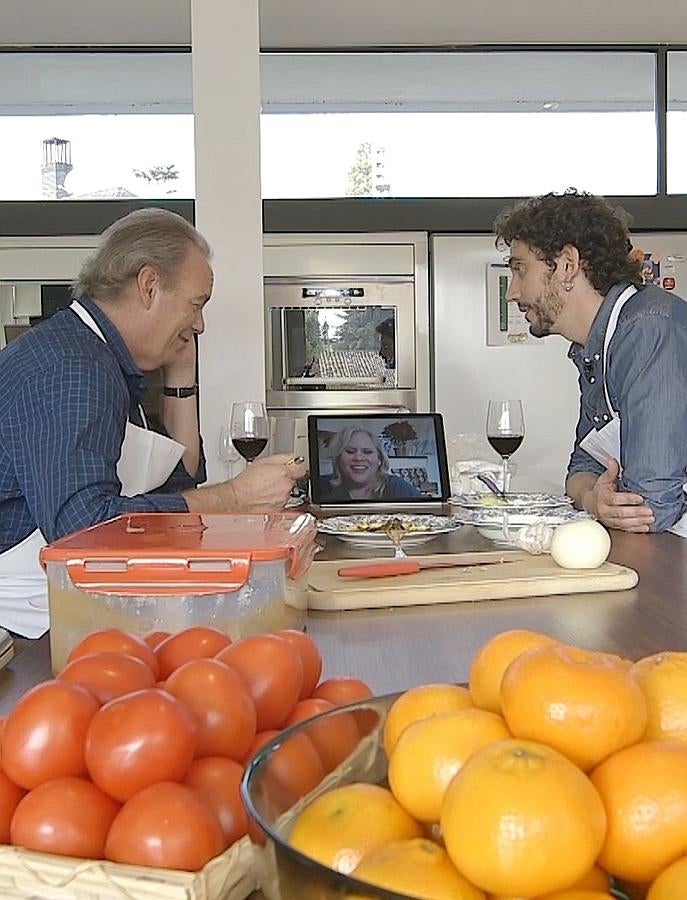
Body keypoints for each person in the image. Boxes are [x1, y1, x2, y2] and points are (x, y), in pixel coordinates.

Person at [0, 208, 306, 637]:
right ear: (149, 285)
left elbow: (176, 487)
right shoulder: (72, 368)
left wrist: (181, 375)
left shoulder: (101, 355)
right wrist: (237, 497)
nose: (199, 324)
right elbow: (85, 531)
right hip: (27, 630)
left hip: (62, 609)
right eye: (196, 304)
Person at [494, 188, 687, 536]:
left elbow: (651, 509)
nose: (513, 292)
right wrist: (593, 500)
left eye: (520, 270)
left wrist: (602, 499)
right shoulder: (595, 349)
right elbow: (582, 468)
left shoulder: (646, 331)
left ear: (567, 264)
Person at [319, 428, 422, 501]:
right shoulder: (322, 486)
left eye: (367, 452)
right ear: (338, 458)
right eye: (350, 451)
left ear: (379, 459)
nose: (359, 458)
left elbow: (428, 509)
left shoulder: (395, 485)